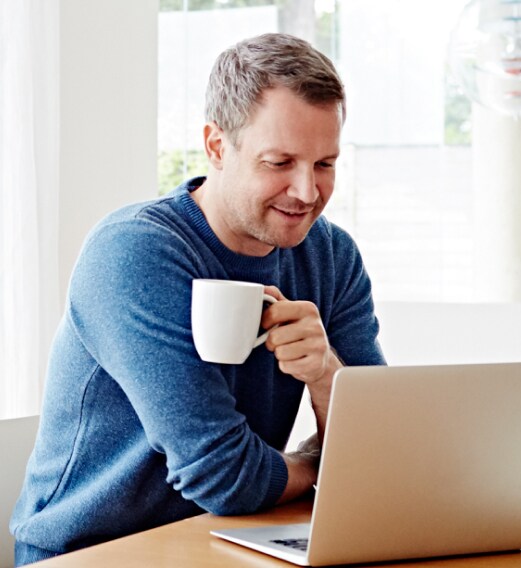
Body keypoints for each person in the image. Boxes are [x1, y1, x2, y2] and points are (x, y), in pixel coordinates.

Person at [11, 32, 386, 566]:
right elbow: (225, 477)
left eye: (324, 164)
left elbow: (379, 455)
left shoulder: (330, 255)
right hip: (90, 553)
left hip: (228, 540)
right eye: (280, 162)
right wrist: (311, 466)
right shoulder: (135, 253)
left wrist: (326, 374)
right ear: (216, 146)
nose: (307, 192)